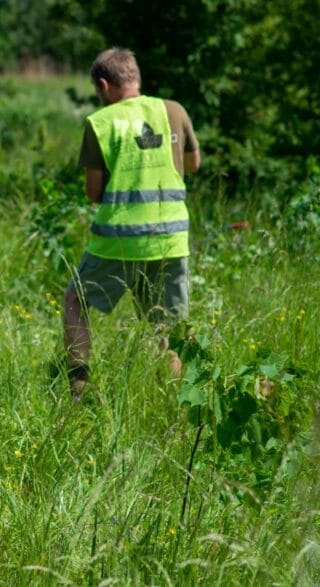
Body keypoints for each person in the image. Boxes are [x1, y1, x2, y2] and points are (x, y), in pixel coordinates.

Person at [61, 48, 201, 398]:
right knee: (165, 328)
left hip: (119, 240)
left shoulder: (100, 122)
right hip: (171, 238)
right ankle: (174, 401)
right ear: (135, 77)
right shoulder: (174, 111)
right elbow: (193, 164)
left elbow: (93, 192)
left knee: (75, 300)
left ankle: (79, 387)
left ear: (103, 85)